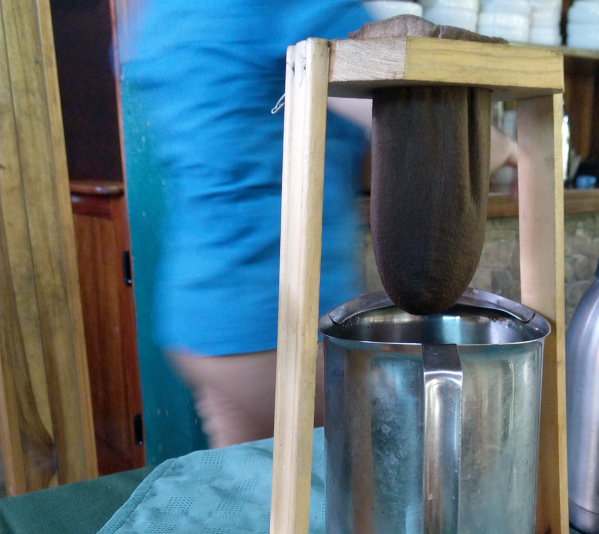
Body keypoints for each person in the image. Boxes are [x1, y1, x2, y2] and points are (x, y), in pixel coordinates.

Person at [125, 0, 518, 449]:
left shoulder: (161, 13)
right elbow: (411, 113)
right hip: (275, 318)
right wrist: (508, 151)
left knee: (248, 483)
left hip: (197, 313)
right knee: (394, 460)